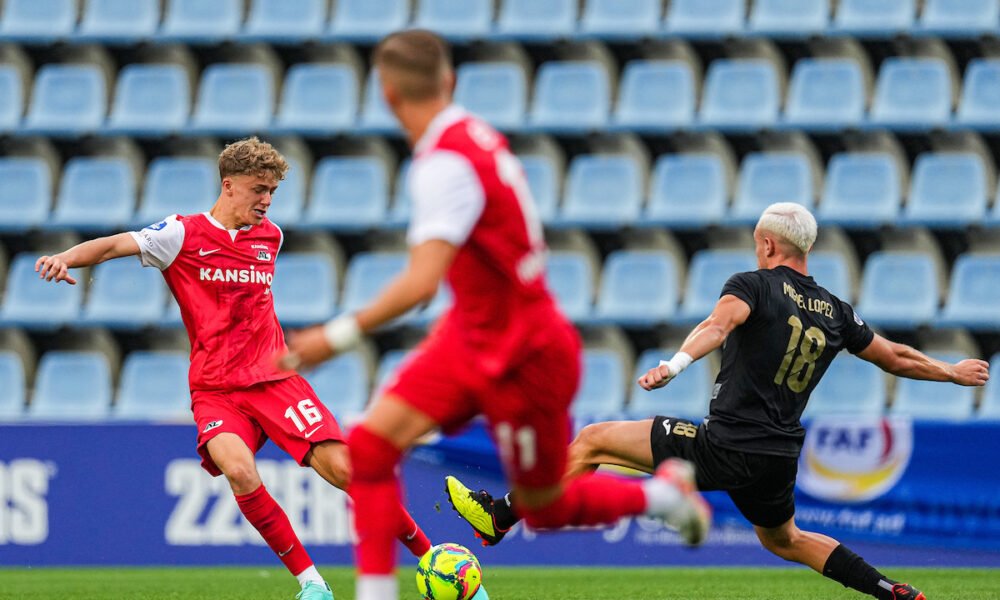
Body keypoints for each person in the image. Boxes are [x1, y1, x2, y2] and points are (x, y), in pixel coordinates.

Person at [278, 29, 712, 600]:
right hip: (479, 334)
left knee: (544, 506)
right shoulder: (477, 137)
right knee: (373, 447)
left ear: (386, 94)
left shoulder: (442, 164)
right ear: (450, 81)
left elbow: (420, 283)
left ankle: (663, 498)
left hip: (527, 350)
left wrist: (331, 338)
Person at [444, 202, 991, 600]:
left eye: (758, 242)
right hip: (777, 456)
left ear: (770, 245)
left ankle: (499, 517)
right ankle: (887, 589)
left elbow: (717, 323)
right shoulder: (835, 310)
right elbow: (895, 356)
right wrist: (952, 371)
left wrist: (675, 364)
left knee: (590, 442)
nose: (757, 249)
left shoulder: (752, 284)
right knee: (786, 539)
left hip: (725, 443)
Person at [35, 137, 432, 600]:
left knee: (346, 470)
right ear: (228, 185)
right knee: (239, 471)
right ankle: (312, 584)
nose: (266, 201)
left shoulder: (271, 238)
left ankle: (433, 559)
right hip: (215, 388)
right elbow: (111, 246)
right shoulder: (180, 235)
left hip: (275, 379)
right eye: (258, 189)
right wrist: (65, 258)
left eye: (272, 192)